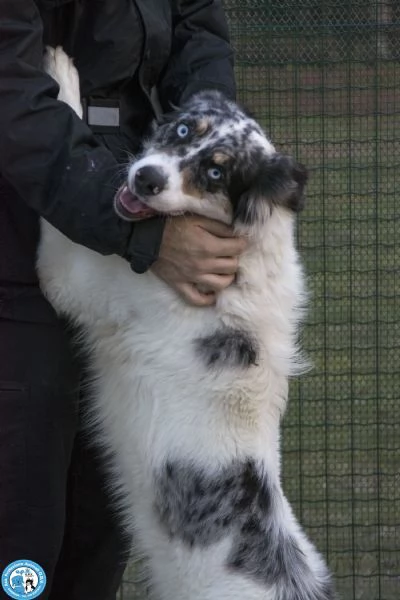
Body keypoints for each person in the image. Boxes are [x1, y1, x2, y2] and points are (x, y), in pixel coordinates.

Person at [0, 1, 245, 599]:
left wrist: (205, 158)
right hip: (17, 235)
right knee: (22, 531)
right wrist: (144, 229)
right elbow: (12, 97)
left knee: (104, 515)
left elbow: (197, 33)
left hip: (136, 208)